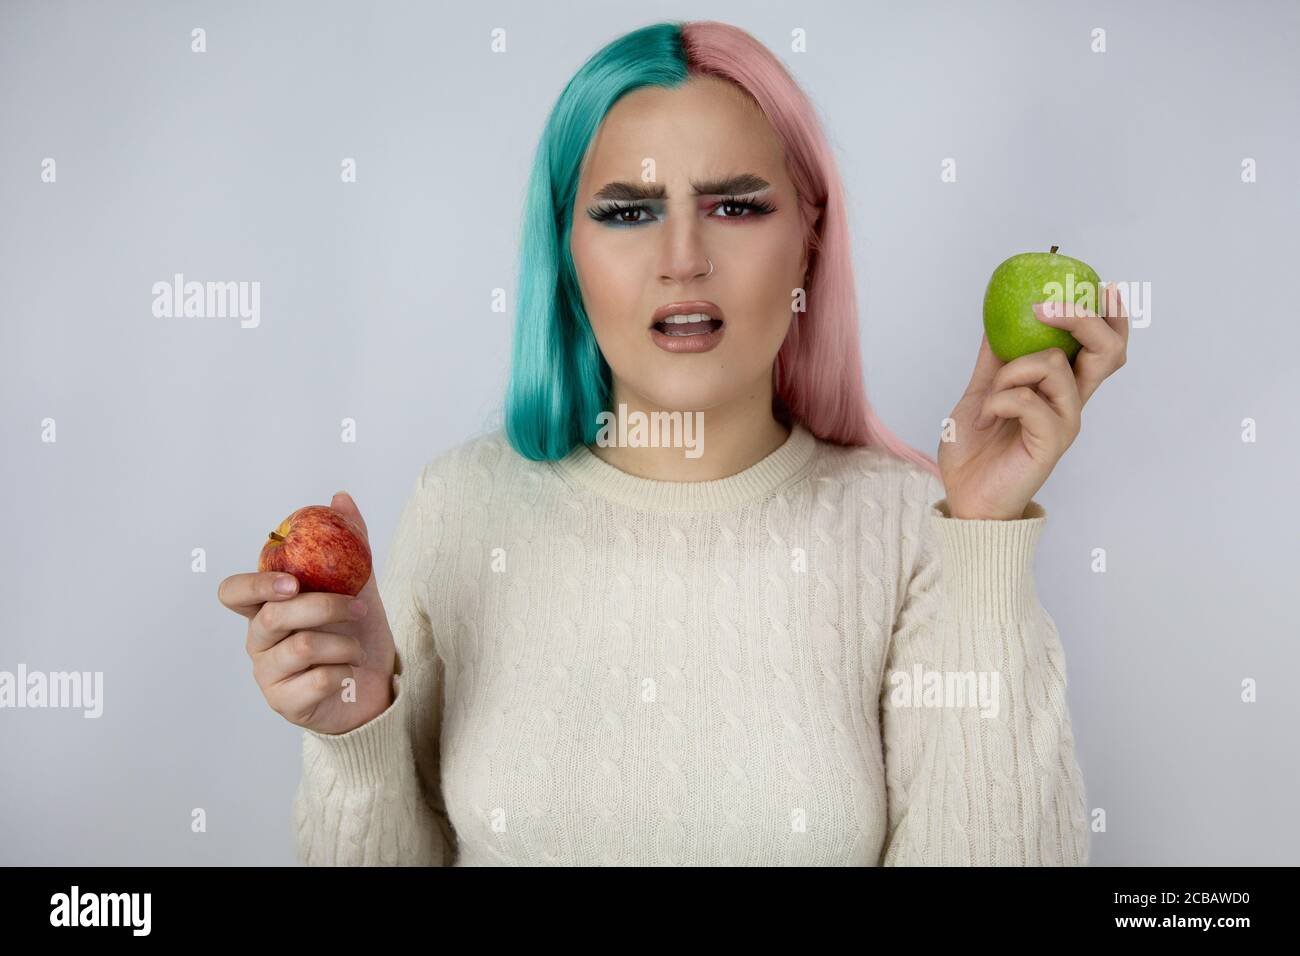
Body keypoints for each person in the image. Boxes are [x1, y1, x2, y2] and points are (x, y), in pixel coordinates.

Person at [218, 20, 1127, 866]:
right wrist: (355, 728)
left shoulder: (909, 530)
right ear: (565, 248)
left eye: (736, 207)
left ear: (811, 236)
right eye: (626, 211)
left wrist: (982, 536)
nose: (683, 257)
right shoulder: (461, 509)